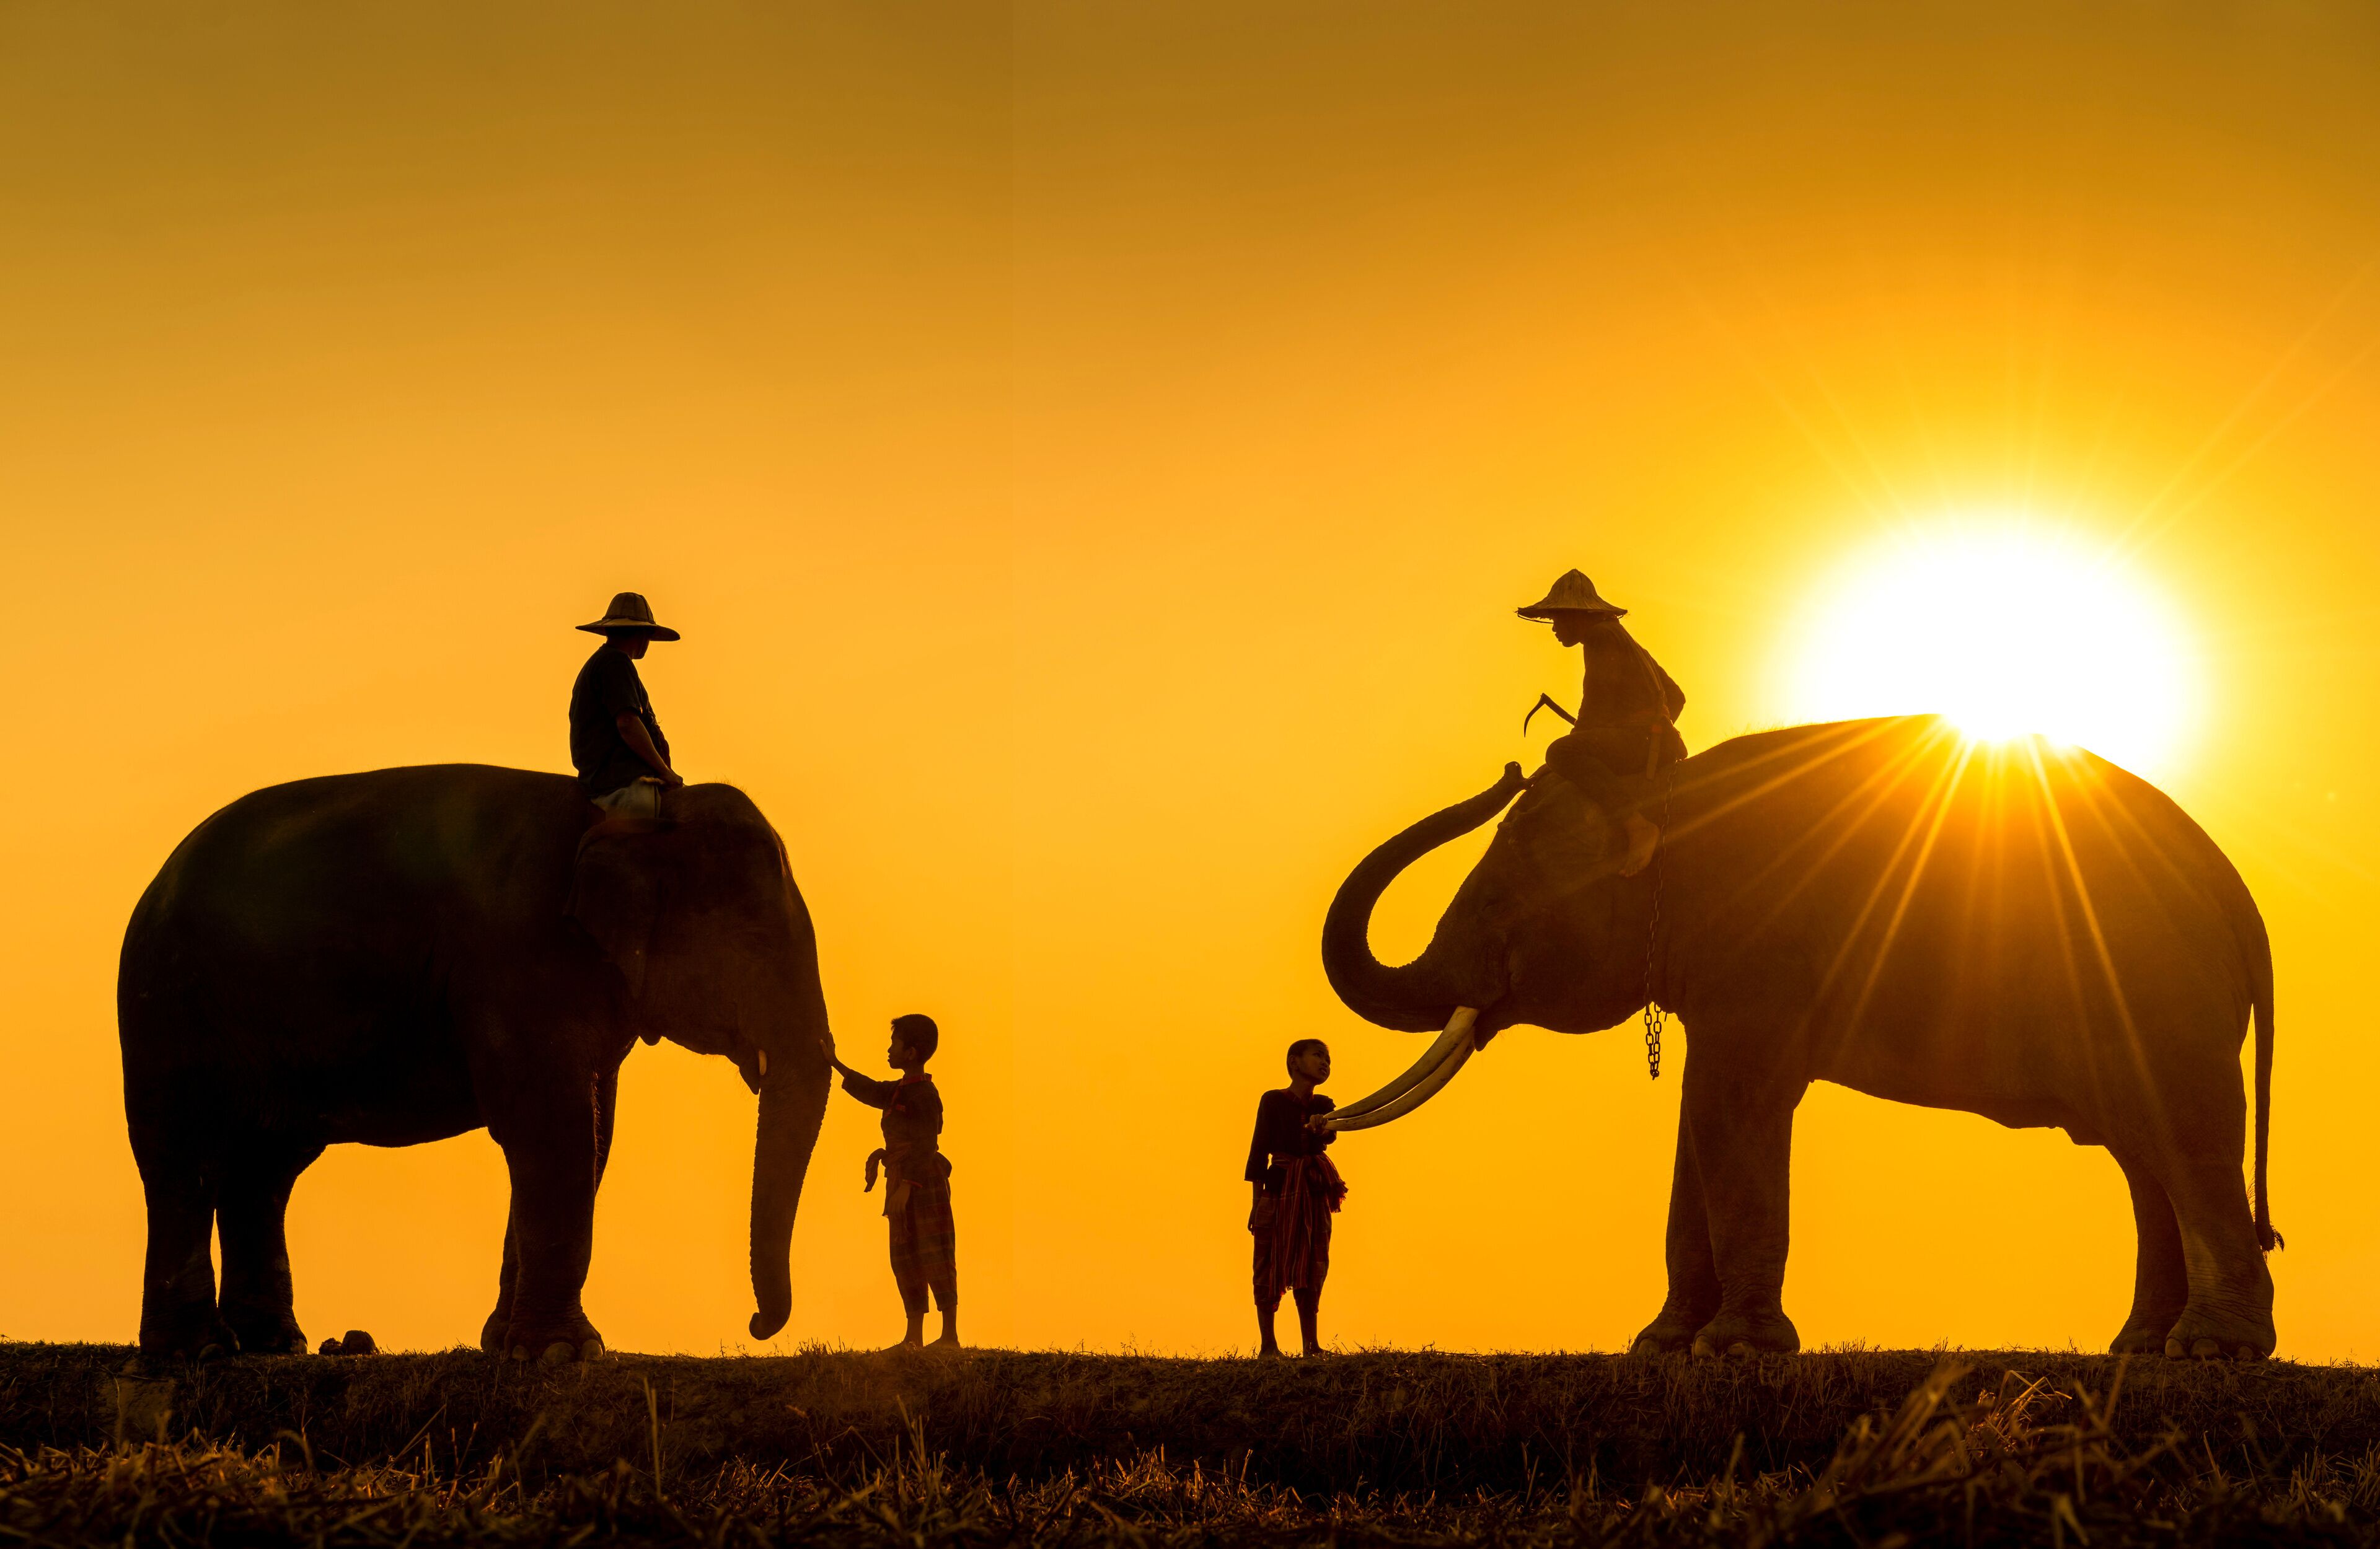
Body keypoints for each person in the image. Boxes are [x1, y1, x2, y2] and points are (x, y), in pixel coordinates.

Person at [1517, 569, 1686, 877]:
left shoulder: (1598, 636)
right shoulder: (1630, 643)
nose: (1554, 628)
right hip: (1657, 743)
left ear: (1576, 615)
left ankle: (1637, 826)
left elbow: (1594, 701)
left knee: (1561, 752)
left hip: (1642, 743)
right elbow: (1677, 697)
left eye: (1557, 618)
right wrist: (1655, 726)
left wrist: (1584, 738)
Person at [822, 1014, 958, 1349]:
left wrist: (908, 1185)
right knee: (905, 1256)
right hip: (900, 1179)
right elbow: (869, 1089)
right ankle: (914, 1336)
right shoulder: (898, 1091)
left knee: (935, 1253)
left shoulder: (925, 1094)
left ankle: (949, 1336)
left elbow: (927, 1143)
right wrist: (834, 1063)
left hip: (923, 1182)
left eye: (894, 1044)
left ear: (910, 1053)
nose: (889, 1049)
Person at [1243, 1038, 1345, 1358]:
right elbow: (1259, 1152)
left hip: (1313, 1192)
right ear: (1294, 1062)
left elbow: (1330, 1134)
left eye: (1328, 1058)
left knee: (1312, 1264)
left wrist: (1321, 1127)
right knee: (1267, 1263)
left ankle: (1310, 1346)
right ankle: (1269, 1346)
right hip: (1278, 1189)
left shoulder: (1324, 1105)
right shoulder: (1273, 1101)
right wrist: (1256, 1202)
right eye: (1318, 1055)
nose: (1325, 1062)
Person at [568, 592, 684, 820]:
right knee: (644, 840)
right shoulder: (615, 663)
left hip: (609, 776)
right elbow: (628, 723)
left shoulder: (605, 662)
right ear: (643, 635)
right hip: (620, 782)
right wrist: (664, 772)